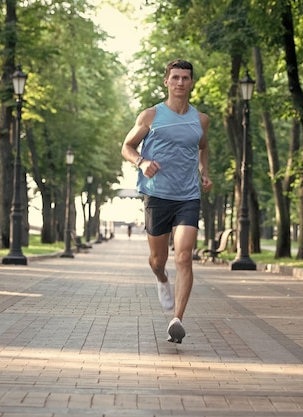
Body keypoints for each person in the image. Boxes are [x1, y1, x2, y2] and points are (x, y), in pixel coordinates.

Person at [121, 59, 213, 343]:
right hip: (157, 194)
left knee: (184, 256)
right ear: (167, 82)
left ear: (192, 82)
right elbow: (127, 146)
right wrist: (141, 161)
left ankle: (177, 319)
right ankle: (161, 279)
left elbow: (202, 147)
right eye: (175, 77)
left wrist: (204, 172)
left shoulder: (201, 120)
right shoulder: (150, 116)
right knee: (158, 259)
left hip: (188, 196)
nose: (180, 82)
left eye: (185, 78)